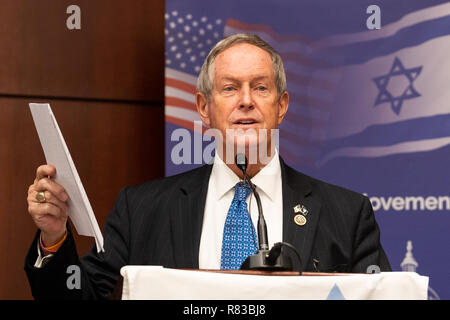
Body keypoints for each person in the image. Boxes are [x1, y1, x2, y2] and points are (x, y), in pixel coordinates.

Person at [25, 34, 391, 300]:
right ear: (203, 108)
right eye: (230, 88)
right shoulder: (141, 209)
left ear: (282, 106)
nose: (246, 101)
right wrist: (55, 238)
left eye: (260, 88)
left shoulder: (347, 214)